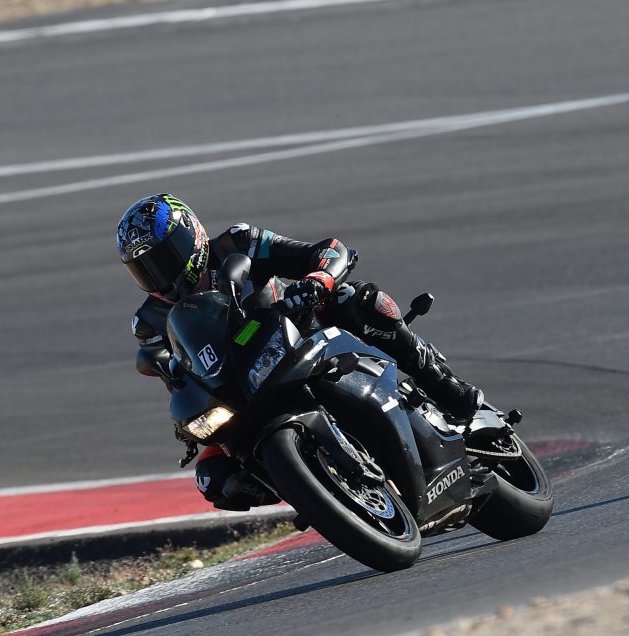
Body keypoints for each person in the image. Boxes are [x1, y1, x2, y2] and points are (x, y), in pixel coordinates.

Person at [118, 193, 481, 511]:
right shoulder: (149, 323)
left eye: (164, 258)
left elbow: (328, 252)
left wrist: (316, 282)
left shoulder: (237, 243)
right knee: (213, 479)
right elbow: (179, 378)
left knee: (356, 298)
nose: (159, 275)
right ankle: (315, 490)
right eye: (145, 269)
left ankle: (439, 381)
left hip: (304, 333)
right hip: (242, 388)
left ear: (190, 236)